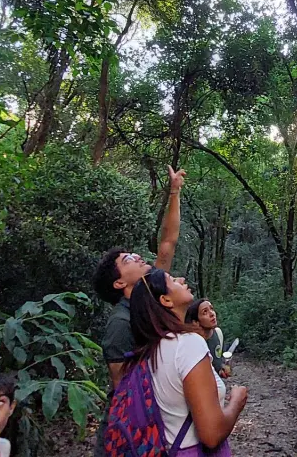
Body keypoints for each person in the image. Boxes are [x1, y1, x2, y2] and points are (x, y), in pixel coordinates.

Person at [92, 166, 185, 456]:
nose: (137, 256)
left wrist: (174, 191)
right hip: (127, 432)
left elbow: (168, 242)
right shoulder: (120, 324)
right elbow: (123, 390)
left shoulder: (154, 294)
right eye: (127, 258)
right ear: (119, 282)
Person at [126, 268, 247, 452]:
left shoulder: (154, 347)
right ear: (165, 300)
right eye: (173, 280)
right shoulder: (187, 344)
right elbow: (212, 434)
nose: (181, 279)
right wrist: (236, 402)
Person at [184, 299, 231, 379]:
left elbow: (219, 361)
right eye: (205, 312)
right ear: (196, 322)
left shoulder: (218, 333)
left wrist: (221, 370)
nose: (212, 314)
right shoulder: (192, 344)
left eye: (211, 309)